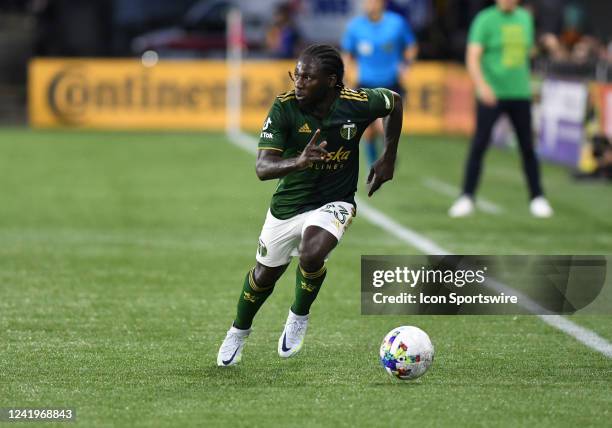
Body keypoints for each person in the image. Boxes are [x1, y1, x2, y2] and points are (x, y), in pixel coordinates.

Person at [217, 44, 403, 366]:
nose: (298, 83)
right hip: (288, 206)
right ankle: (239, 330)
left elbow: (394, 103)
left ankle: (298, 315)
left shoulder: (355, 104)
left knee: (313, 251)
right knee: (264, 276)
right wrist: (299, 162)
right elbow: (262, 168)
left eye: (307, 77)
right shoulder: (284, 107)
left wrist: (388, 156)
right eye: (296, 75)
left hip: (335, 201)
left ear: (331, 81)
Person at [449, 0, 553, 218]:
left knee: (527, 147)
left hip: (520, 93)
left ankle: (537, 197)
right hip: (491, 94)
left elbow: (526, 52)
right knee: (479, 145)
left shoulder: (525, 18)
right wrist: (482, 86)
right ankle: (466, 197)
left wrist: (544, 46)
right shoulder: (485, 19)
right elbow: (473, 57)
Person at [341, 0, 416, 168]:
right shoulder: (356, 27)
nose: (369, 4)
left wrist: (406, 65)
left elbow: (411, 46)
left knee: (384, 127)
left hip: (391, 83)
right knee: (367, 130)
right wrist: (345, 74)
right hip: (365, 84)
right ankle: (373, 162)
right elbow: (347, 53)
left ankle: (388, 155)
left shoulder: (396, 23)